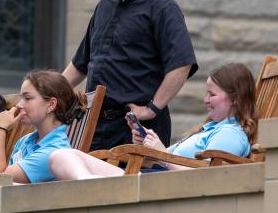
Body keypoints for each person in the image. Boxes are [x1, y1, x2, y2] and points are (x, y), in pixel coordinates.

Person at [62, 0, 198, 150]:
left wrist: (151, 109)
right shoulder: (104, 5)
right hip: (94, 127)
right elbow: (79, 65)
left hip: (137, 131)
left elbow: (181, 64)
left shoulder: (163, 7)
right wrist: (45, 95)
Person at [49, 63, 258, 180]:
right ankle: (91, 185)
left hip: (151, 188)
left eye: (211, 94)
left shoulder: (231, 134)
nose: (205, 100)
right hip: (147, 179)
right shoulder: (213, 129)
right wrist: (148, 146)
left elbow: (206, 180)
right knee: (64, 156)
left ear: (235, 98)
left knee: (63, 157)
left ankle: (92, 186)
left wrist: (162, 155)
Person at [0, 70, 86, 184]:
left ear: (51, 104)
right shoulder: (26, 140)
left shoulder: (53, 152)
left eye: (27, 98)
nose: (19, 105)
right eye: (20, 98)